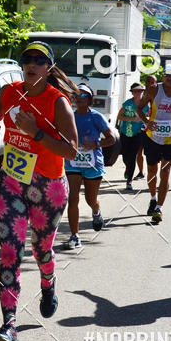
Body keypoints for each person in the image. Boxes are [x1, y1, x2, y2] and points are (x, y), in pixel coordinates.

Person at [0, 41, 78, 341]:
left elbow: (71, 149)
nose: (32, 64)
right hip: (11, 183)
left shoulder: (58, 102)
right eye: (27, 59)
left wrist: (36, 132)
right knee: (11, 251)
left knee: (41, 250)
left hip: (48, 186)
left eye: (40, 60)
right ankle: (8, 324)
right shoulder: (9, 91)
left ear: (49, 67)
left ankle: (48, 284)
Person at [136, 65, 171, 224]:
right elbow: (139, 109)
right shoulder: (153, 90)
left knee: (165, 172)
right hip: (151, 136)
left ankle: (159, 207)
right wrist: (146, 121)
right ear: (162, 76)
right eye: (167, 75)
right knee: (152, 169)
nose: (169, 77)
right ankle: (153, 198)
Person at [64, 83, 117, 249]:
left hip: (92, 164)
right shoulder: (69, 117)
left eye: (84, 96)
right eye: (77, 96)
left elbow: (112, 139)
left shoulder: (96, 117)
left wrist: (95, 144)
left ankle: (96, 210)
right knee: (72, 198)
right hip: (72, 162)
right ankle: (75, 236)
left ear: (89, 99)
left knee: (90, 199)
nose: (80, 99)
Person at [117, 83, 148, 190]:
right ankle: (127, 168)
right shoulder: (127, 104)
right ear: (132, 93)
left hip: (138, 133)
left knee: (133, 156)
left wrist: (146, 119)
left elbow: (150, 114)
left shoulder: (145, 104)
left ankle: (129, 180)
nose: (138, 93)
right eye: (135, 91)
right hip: (126, 133)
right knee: (125, 155)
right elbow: (119, 116)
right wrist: (131, 119)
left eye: (140, 91)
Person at [134, 74, 157, 178]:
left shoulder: (158, 95)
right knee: (139, 151)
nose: (150, 84)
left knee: (151, 153)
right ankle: (141, 172)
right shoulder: (141, 94)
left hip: (153, 129)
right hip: (139, 127)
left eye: (152, 82)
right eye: (148, 82)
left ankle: (152, 171)